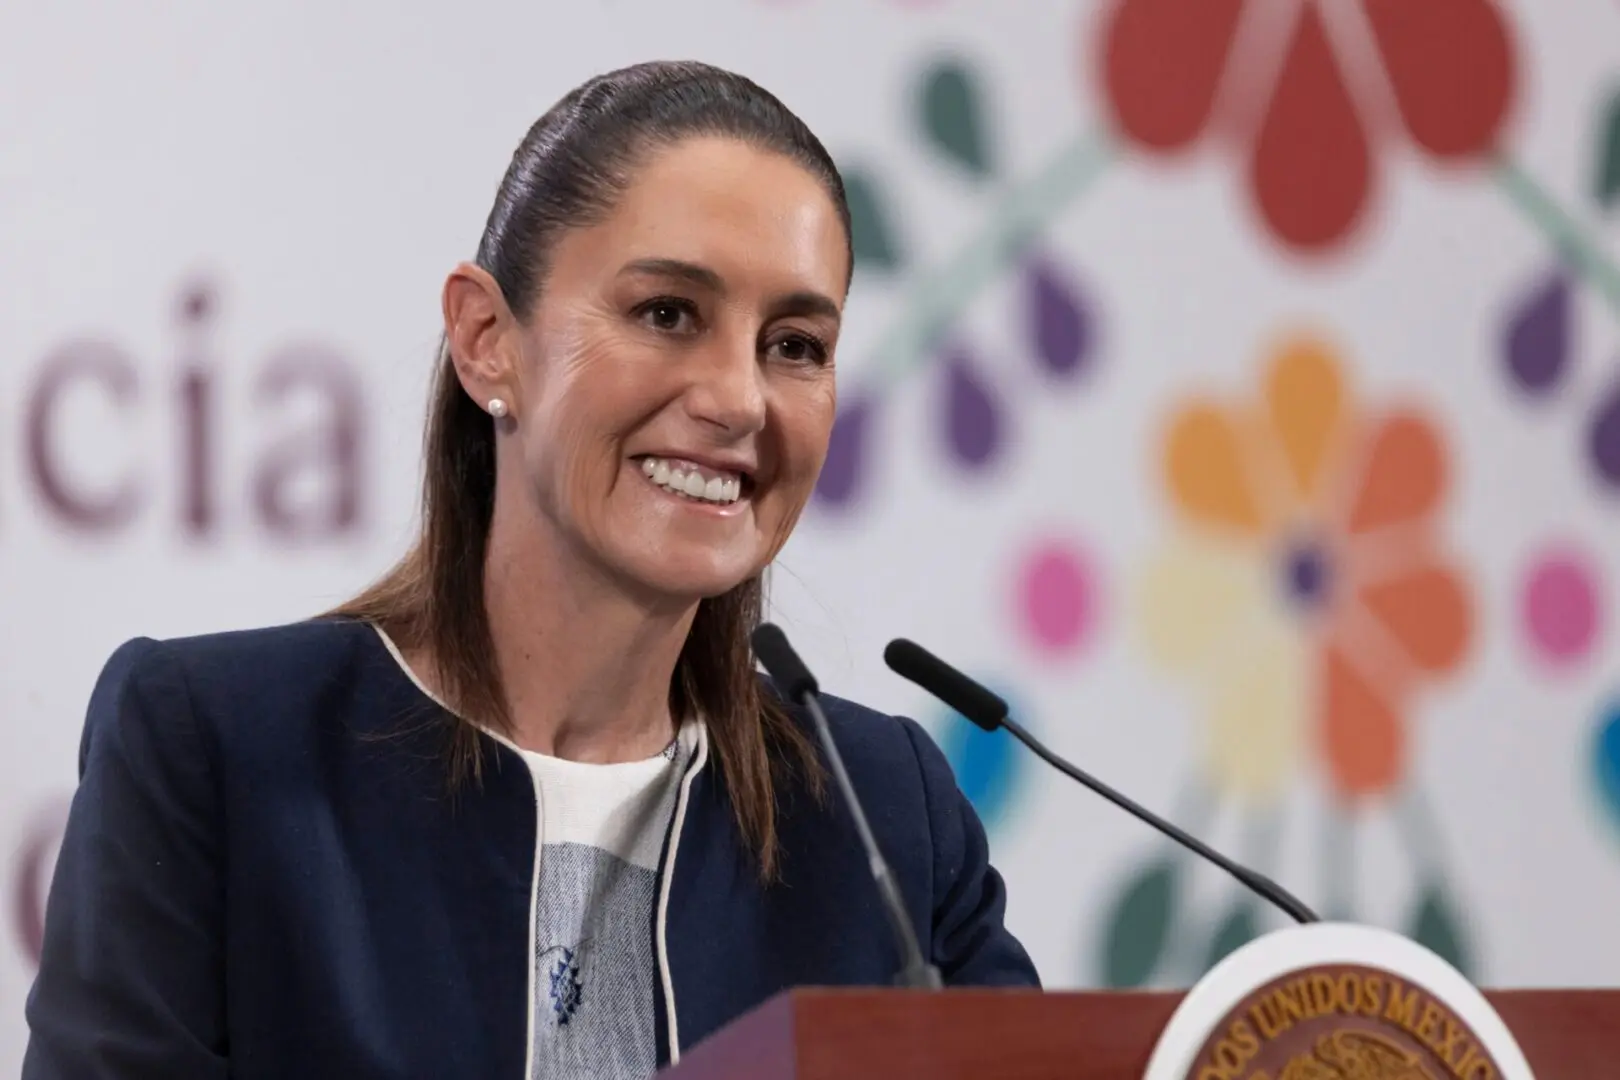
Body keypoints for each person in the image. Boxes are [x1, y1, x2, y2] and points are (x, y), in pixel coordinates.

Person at [21, 59, 1039, 1079]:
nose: (739, 399)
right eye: (668, 313)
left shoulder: (883, 819)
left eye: (796, 345)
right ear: (486, 341)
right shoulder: (215, 746)